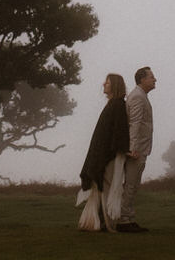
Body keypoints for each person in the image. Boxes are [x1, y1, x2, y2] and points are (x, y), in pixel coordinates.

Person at [76, 73, 129, 231]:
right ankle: (102, 222)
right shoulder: (112, 104)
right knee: (101, 188)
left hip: (109, 156)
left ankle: (107, 223)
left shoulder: (118, 105)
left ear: (115, 85)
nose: (104, 84)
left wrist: (122, 150)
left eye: (107, 82)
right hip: (103, 155)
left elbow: (119, 131)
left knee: (106, 188)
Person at [117, 66, 156, 233]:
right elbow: (135, 123)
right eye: (151, 77)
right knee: (131, 185)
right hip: (137, 150)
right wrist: (132, 148)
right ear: (142, 79)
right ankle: (124, 220)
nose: (155, 79)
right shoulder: (138, 97)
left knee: (133, 185)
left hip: (140, 148)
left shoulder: (140, 96)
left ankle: (129, 218)